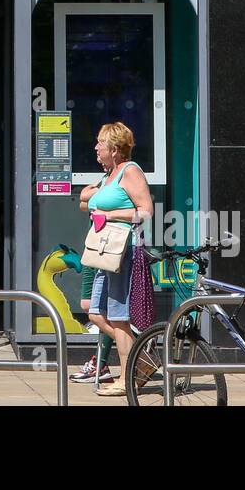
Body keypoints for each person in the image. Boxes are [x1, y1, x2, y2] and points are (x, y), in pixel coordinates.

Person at [80, 121, 153, 397]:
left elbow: (145, 211)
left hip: (123, 250)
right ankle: (142, 359)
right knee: (96, 313)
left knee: (119, 317)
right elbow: (84, 200)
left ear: (114, 148)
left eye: (100, 142)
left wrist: (109, 215)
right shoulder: (109, 175)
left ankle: (127, 378)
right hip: (105, 253)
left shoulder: (129, 171)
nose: (96, 147)